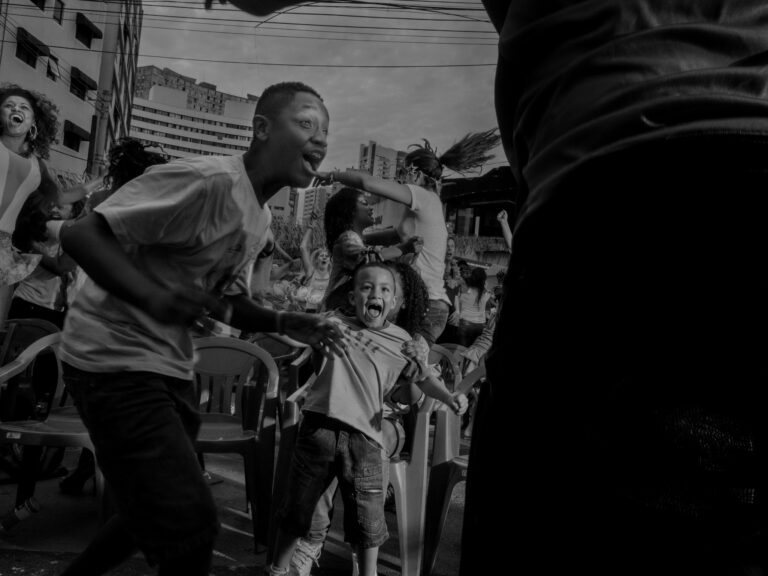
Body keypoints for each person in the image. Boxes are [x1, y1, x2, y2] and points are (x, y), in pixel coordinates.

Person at [57, 82, 345, 576]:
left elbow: (226, 302)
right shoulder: (207, 179)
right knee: (191, 526)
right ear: (260, 128)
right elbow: (82, 233)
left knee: (148, 512)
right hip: (111, 360)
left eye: (326, 131)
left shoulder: (257, 217)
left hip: (168, 369)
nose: (319, 140)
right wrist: (154, 298)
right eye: (305, 123)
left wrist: (284, 320)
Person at [268, 261, 467, 576]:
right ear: (351, 297)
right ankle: (280, 569)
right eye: (366, 286)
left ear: (396, 302)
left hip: (368, 439)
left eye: (386, 289)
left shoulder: (405, 342)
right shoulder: (332, 323)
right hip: (319, 428)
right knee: (297, 511)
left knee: (367, 522)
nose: (376, 293)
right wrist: (264, 318)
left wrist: (448, 396)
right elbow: (295, 329)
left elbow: (424, 382)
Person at [322, 128, 501, 345]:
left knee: (387, 359)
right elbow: (394, 237)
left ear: (415, 173)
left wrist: (330, 175)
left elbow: (368, 183)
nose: (401, 178)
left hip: (425, 307)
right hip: (425, 304)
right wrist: (361, 238)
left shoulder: (421, 195)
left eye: (403, 172)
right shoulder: (426, 204)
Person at [0, 84, 83, 327]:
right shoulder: (39, 232)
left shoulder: (36, 166)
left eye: (24, 108)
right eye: (9, 105)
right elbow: (60, 266)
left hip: (52, 309)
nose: (55, 209)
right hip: (30, 305)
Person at [321, 186, 421, 313]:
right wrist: (404, 248)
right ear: (350, 210)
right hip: (336, 312)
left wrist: (412, 198)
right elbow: (369, 259)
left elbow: (395, 235)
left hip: (342, 311)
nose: (371, 207)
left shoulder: (359, 239)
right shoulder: (348, 238)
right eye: (364, 203)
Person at [293, 212, 331, 312]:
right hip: (309, 311)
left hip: (325, 312)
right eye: (321, 256)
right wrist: (311, 226)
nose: (324, 258)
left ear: (330, 260)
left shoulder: (332, 274)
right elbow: (303, 247)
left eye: (327, 256)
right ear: (316, 259)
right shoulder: (311, 271)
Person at [449, 266, 492, 348]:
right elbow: (487, 312)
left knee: (461, 350)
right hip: (480, 326)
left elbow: (456, 296)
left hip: (465, 323)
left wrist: (457, 310)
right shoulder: (486, 293)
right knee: (471, 351)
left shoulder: (465, 287)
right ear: (483, 280)